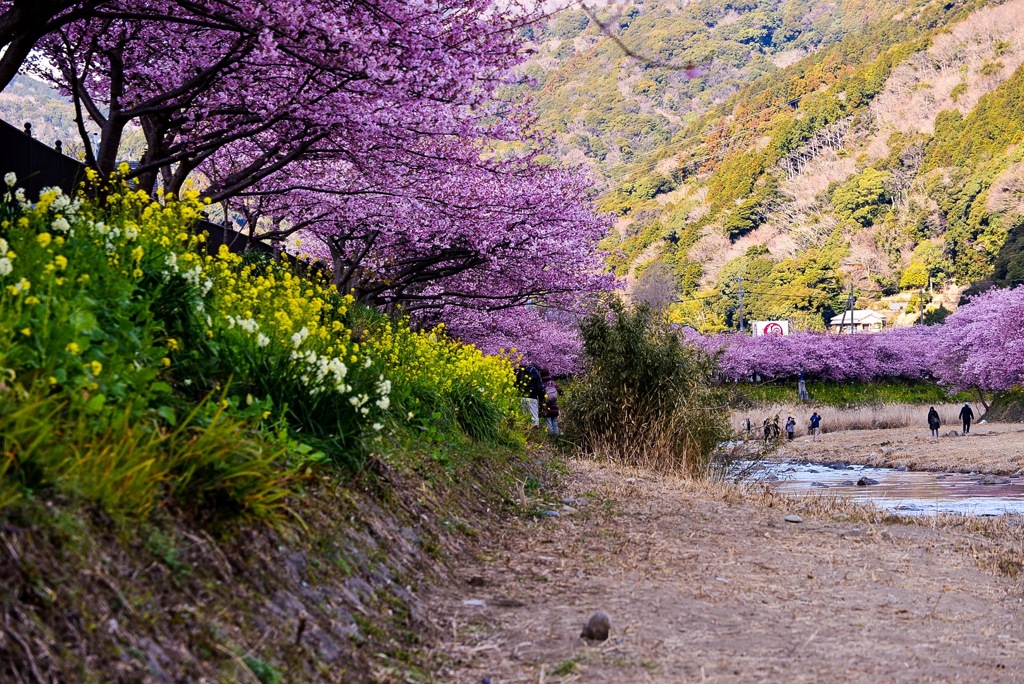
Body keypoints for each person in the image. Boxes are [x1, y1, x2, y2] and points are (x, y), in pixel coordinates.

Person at [515, 363, 544, 428]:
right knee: (534, 417)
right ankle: (534, 434)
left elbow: (516, 385)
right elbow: (539, 388)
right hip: (532, 397)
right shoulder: (535, 373)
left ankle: (525, 433)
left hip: (521, 397)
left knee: (523, 417)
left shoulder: (520, 373)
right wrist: (541, 400)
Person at [541, 370, 560, 435]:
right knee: (554, 421)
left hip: (546, 405)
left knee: (548, 421)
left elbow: (541, 393)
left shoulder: (542, 383)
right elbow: (560, 390)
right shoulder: (553, 382)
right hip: (554, 405)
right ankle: (556, 435)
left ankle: (551, 436)